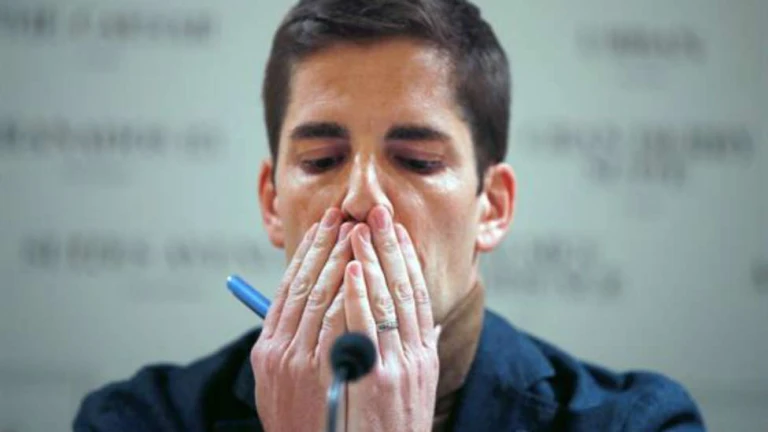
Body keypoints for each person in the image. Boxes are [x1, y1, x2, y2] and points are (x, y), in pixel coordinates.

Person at [73, 0, 705, 430]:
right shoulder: (135, 419)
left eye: (417, 162)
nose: (361, 198)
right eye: (322, 160)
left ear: (493, 206)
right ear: (271, 202)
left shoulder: (639, 423)